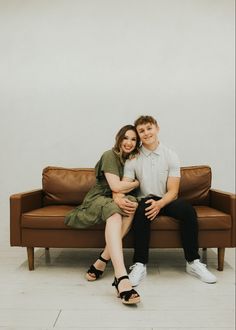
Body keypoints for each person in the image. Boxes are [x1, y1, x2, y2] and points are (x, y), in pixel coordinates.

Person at [115, 115, 217, 286]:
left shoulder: (171, 155)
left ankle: (193, 262)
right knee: (140, 210)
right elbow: (125, 185)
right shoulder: (133, 158)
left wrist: (160, 204)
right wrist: (118, 198)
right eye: (141, 131)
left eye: (149, 128)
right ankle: (140, 264)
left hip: (166, 200)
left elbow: (173, 191)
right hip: (145, 200)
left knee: (188, 210)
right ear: (138, 135)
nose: (146, 133)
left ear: (157, 128)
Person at [64, 125, 141, 305]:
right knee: (114, 214)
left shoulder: (134, 160)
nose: (129, 142)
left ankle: (102, 260)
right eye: (126, 138)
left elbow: (121, 190)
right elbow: (115, 186)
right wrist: (136, 183)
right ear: (119, 138)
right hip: (98, 198)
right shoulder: (110, 155)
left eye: (133, 139)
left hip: (117, 198)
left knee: (132, 205)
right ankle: (121, 278)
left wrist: (124, 193)